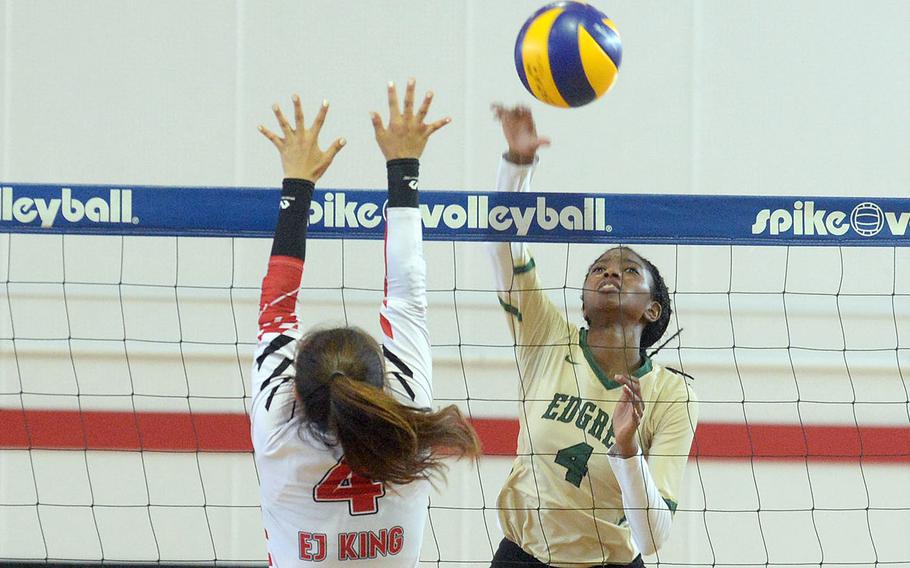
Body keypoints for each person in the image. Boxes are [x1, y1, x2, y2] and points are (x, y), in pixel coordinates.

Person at [251, 80, 480, 567]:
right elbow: (406, 294)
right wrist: (403, 169)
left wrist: (298, 184)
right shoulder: (409, 421)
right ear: (383, 377)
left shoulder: (277, 431)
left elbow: (277, 311)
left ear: (296, 393)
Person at [487, 105, 699, 568]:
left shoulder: (671, 394)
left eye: (628, 270)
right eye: (599, 268)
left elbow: (652, 539)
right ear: (583, 301)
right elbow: (503, 246)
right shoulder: (547, 337)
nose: (609, 272)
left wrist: (626, 451)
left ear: (652, 308)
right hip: (522, 558)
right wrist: (516, 166)